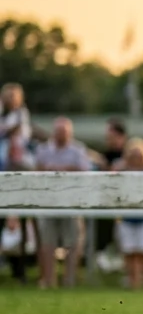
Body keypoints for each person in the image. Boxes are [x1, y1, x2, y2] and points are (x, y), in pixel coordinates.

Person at [33, 117, 94, 288]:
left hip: (72, 202)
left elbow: (85, 172)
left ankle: (70, 279)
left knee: (73, 243)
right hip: (48, 202)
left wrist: (64, 169)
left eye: (65, 133)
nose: (62, 136)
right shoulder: (43, 150)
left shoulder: (78, 150)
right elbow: (36, 172)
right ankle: (48, 279)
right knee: (47, 243)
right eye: (59, 132)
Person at [114, 138, 143, 289]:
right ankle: (133, 282)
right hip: (127, 218)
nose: (136, 158)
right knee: (130, 252)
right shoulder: (121, 171)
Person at [93, 118, 130, 268]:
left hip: (128, 204)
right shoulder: (104, 156)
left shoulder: (131, 153)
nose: (108, 140)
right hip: (107, 203)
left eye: (111, 136)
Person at [2, 135, 37, 283]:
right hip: (6, 210)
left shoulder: (28, 167)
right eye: (12, 150)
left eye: (16, 150)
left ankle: (21, 272)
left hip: (24, 211)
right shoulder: (4, 166)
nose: (13, 153)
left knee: (23, 238)